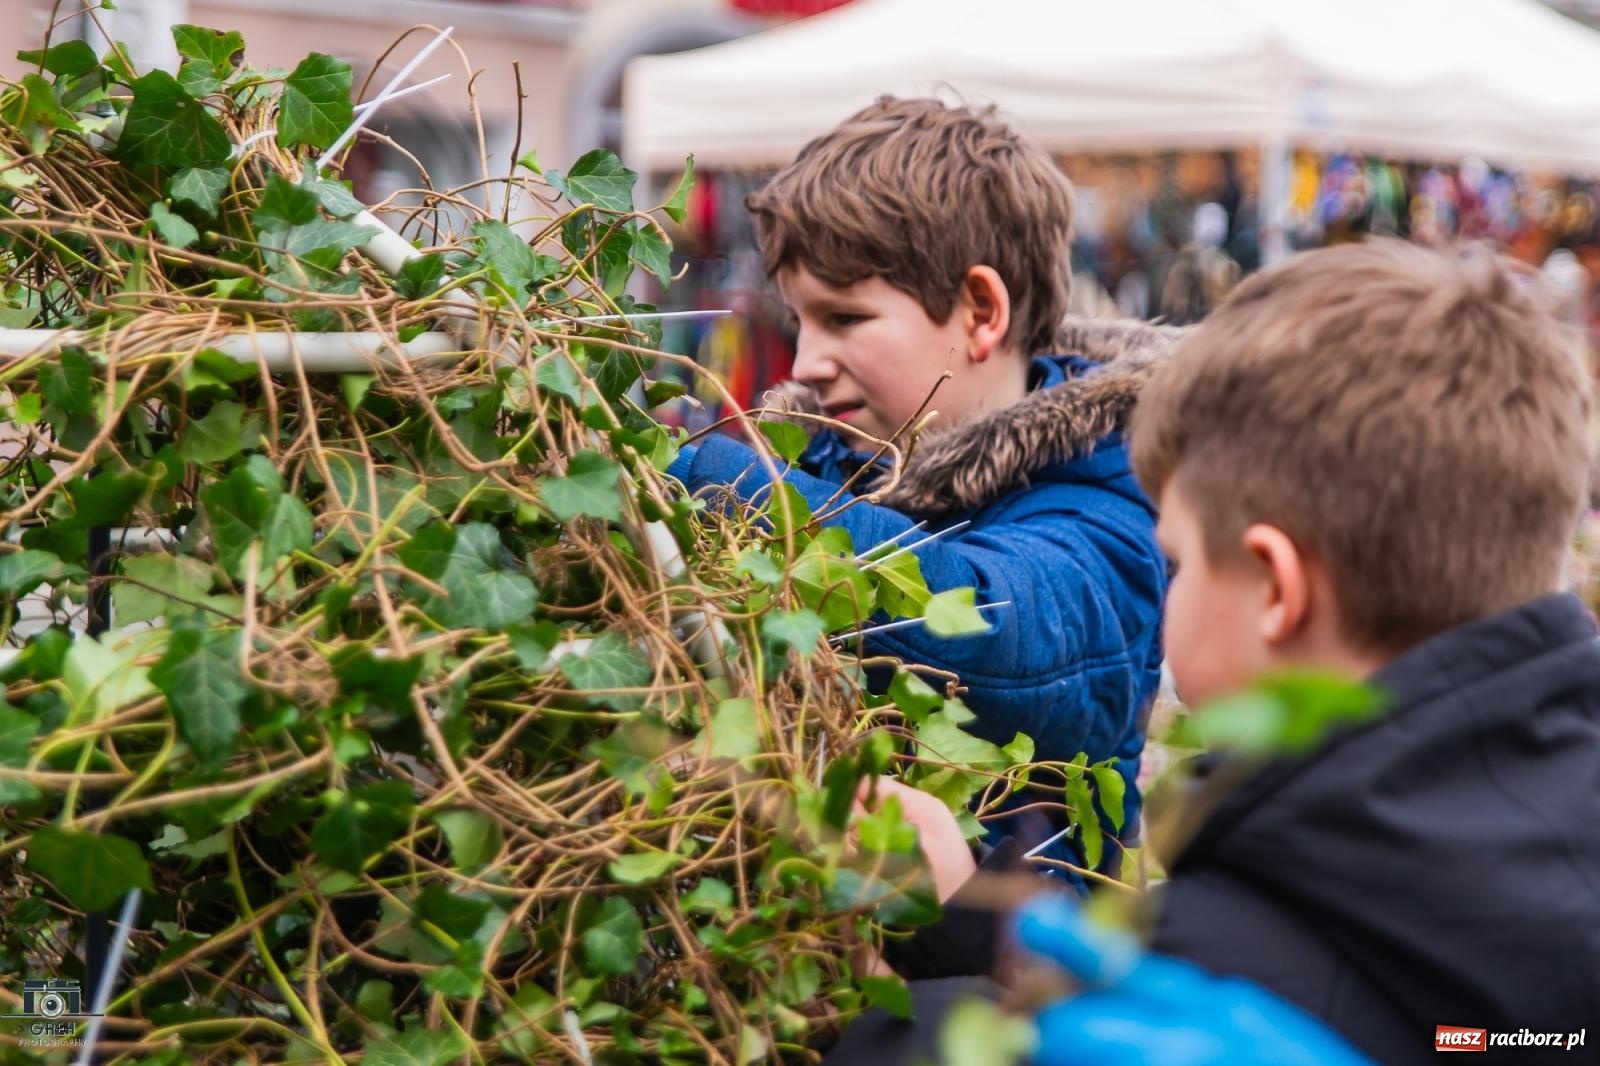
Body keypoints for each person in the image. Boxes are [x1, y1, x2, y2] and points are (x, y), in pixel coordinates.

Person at [835, 240, 1600, 1063]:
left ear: (1275, 589)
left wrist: (878, 1026)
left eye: (1181, 560)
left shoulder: (1217, 984)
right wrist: (970, 920)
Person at [666, 97, 1171, 862]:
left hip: (997, 936)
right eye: (800, 321)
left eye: (844, 318)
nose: (805, 363)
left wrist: (699, 475)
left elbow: (994, 628)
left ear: (980, 312)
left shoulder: (1105, 500)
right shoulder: (824, 466)